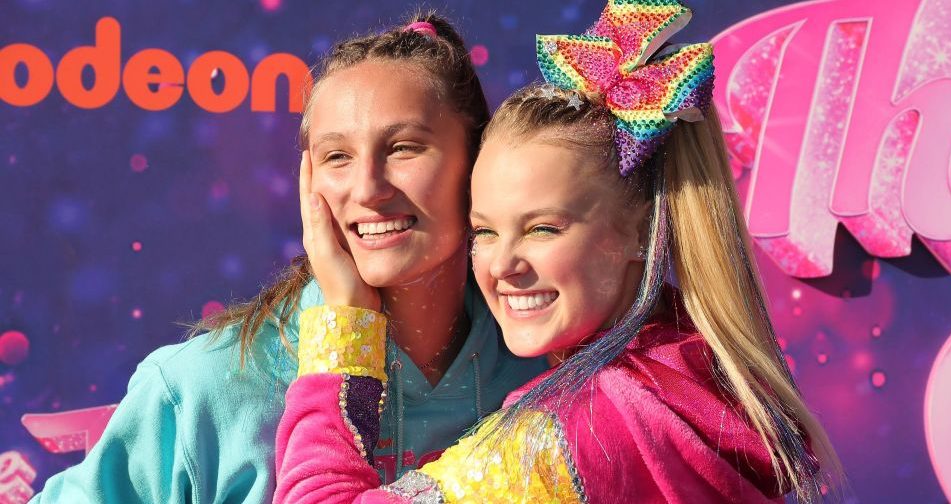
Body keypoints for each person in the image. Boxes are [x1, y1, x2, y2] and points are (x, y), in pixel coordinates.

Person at [273, 1, 843, 503]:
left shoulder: (578, 437)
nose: (503, 266)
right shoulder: (691, 376)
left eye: (544, 228)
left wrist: (345, 320)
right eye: (485, 233)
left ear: (641, 232)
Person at [30, 13, 547, 503]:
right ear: (308, 180)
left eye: (404, 148)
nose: (367, 188)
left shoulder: (553, 371)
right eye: (337, 156)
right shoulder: (203, 389)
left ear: (479, 161)